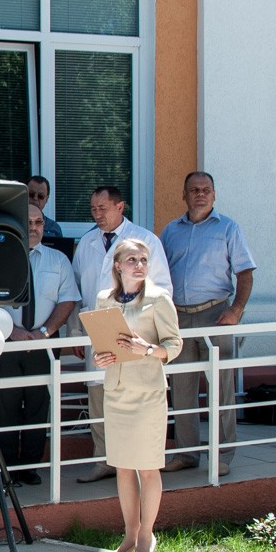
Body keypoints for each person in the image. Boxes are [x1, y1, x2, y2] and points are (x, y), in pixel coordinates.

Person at [70, 186, 172, 483]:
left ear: (120, 207)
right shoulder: (87, 242)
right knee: (98, 397)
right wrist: (76, 331)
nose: (97, 214)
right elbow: (77, 290)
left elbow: (163, 286)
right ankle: (105, 460)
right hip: (98, 332)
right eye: (93, 209)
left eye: (102, 208)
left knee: (135, 400)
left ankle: (138, 463)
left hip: (137, 336)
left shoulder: (145, 240)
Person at [92, 238, 182, 552]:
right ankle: (129, 534)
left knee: (148, 465)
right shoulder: (104, 299)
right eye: (132, 260)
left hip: (147, 394)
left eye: (144, 259)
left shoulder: (159, 299)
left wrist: (149, 349)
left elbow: (174, 345)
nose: (140, 265)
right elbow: (101, 343)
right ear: (118, 265)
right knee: (123, 466)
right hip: (117, 391)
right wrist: (99, 357)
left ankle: (147, 536)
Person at [160, 171, 256, 476]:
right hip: (179, 317)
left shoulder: (228, 227)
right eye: (194, 190)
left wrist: (236, 310)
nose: (200, 194)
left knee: (222, 386)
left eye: (206, 189)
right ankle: (186, 453)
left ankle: (223, 454)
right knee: (182, 388)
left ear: (214, 195)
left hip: (216, 314)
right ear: (184, 195)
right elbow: (159, 274)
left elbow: (245, 273)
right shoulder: (170, 231)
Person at [0, 204, 79, 485]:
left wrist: (44, 332)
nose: (33, 227)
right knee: (5, 406)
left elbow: (68, 299)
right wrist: (13, 331)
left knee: (38, 405)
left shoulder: (58, 260)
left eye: (38, 222)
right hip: (6, 343)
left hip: (44, 344)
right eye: (27, 222)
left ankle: (29, 467)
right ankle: (6, 468)